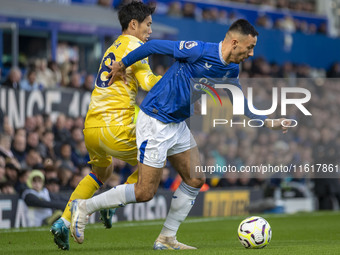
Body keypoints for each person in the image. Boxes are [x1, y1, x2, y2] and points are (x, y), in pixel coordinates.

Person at [70, 19, 291, 250]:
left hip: (176, 123)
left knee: (195, 179)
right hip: (156, 119)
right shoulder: (198, 50)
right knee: (145, 192)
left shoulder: (232, 68)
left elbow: (241, 103)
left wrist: (269, 122)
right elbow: (152, 47)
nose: (252, 53)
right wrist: (122, 64)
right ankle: (83, 207)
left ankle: (166, 238)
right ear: (235, 42)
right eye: (250, 47)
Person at [50, 1, 161, 251]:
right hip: (114, 127)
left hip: (91, 128)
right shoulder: (135, 46)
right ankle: (110, 203)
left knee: (103, 173)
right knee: (159, 157)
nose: (150, 31)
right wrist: (179, 79)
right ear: (134, 24)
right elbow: (149, 83)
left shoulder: (114, 46)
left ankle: (64, 221)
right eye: (148, 25)